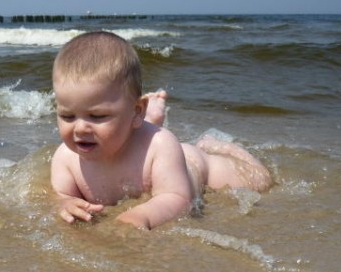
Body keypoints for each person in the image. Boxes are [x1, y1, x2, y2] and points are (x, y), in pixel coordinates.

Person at [50, 31, 271, 229]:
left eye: (97, 116)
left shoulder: (162, 146)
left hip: (191, 164)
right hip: (142, 140)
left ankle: (216, 146)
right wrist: (65, 202)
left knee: (261, 180)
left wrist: (142, 215)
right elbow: (59, 195)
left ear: (136, 111)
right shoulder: (65, 158)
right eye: (67, 116)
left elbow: (177, 198)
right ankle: (150, 123)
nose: (79, 128)